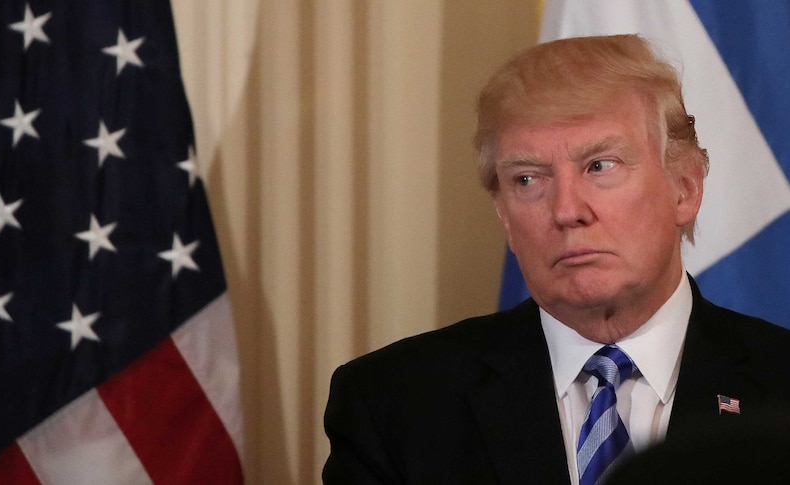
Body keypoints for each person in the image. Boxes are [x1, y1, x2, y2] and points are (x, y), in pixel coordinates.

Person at [322, 34, 790, 484]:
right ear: (504, 215)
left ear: (685, 189)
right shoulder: (394, 403)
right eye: (528, 179)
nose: (567, 211)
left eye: (599, 166)